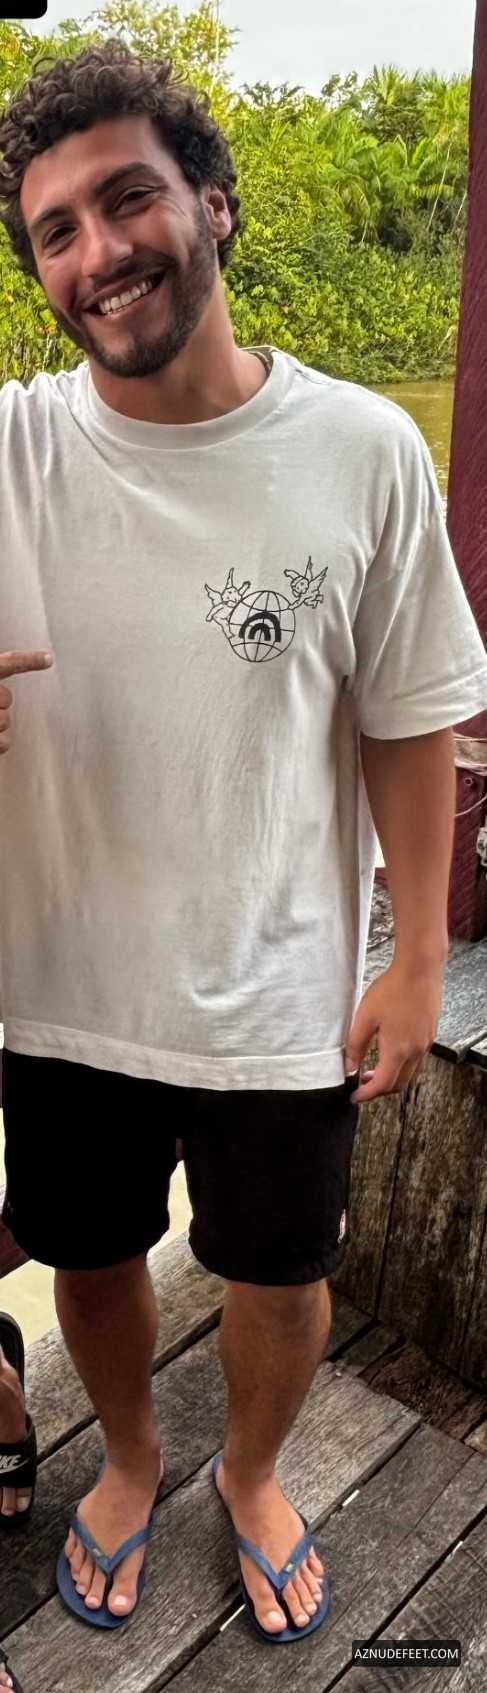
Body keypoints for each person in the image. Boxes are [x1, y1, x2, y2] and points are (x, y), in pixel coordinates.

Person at [0, 37, 486, 1646]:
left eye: (126, 199)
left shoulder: (362, 450)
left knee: (280, 1274)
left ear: (211, 201)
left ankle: (254, 1472)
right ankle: (135, 1456)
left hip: (278, 986)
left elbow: (409, 716)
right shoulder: (11, 454)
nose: (97, 250)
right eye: (55, 229)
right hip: (60, 984)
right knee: (90, 1253)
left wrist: (418, 954)